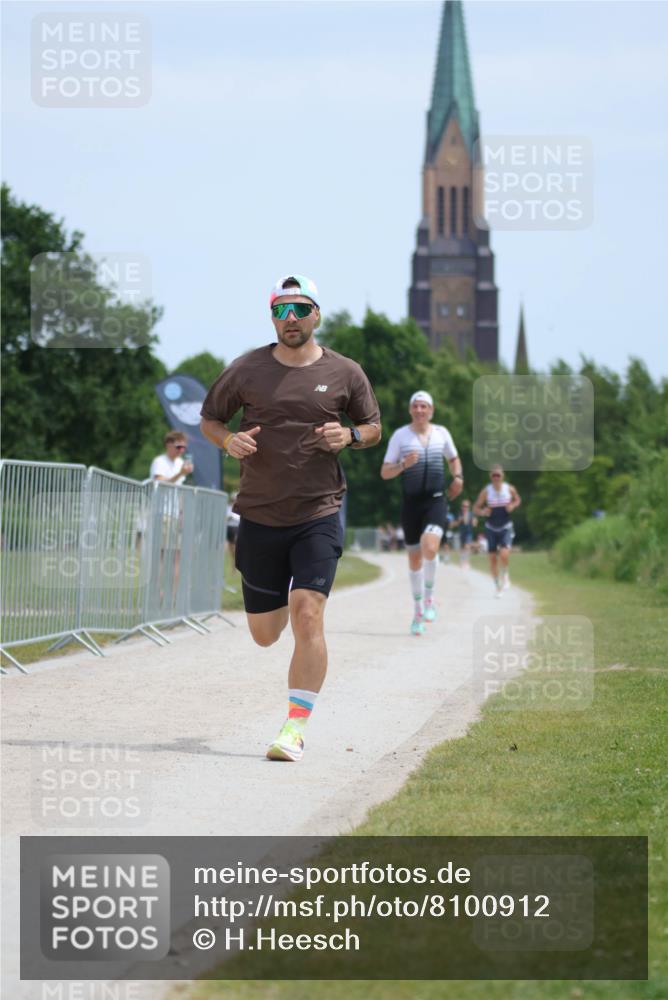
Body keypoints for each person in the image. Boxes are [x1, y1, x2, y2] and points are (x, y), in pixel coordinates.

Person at [200, 274, 381, 762]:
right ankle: (273, 602)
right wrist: (227, 441)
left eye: (300, 310)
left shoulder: (346, 372)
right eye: (281, 311)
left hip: (318, 511)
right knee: (264, 634)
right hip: (259, 515)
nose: (291, 319)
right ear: (272, 317)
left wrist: (352, 438)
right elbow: (210, 419)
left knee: (308, 612)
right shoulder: (246, 369)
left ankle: (293, 729)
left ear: (317, 314)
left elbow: (373, 426)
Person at [380, 391, 463, 635]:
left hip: (437, 501)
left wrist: (457, 477)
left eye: (423, 406)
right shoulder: (400, 436)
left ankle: (429, 599)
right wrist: (403, 465)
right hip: (411, 505)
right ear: (410, 410)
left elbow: (454, 459)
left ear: (431, 410)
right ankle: (417, 611)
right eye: (415, 406)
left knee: (430, 546)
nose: (419, 410)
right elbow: (385, 472)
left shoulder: (441, 434)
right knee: (415, 559)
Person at [473, 464, 521, 597]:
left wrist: (512, 505)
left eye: (498, 475)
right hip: (491, 527)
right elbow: (475, 508)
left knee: (504, 554)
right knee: (493, 559)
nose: (496, 477)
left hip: (505, 526)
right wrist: (483, 512)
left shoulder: (509, 488)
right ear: (490, 476)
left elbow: (518, 499)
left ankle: (505, 574)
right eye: (493, 475)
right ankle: (497, 587)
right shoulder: (486, 491)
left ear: (502, 476)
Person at [453, 499, 477, 568]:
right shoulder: (459, 514)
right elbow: (457, 523)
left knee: (467, 546)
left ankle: (466, 562)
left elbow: (474, 523)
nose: (465, 507)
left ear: (468, 507)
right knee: (462, 548)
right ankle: (461, 561)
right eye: (464, 506)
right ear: (461, 507)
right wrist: (461, 519)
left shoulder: (471, 514)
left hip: (468, 533)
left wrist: (474, 521)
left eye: (466, 506)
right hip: (462, 532)